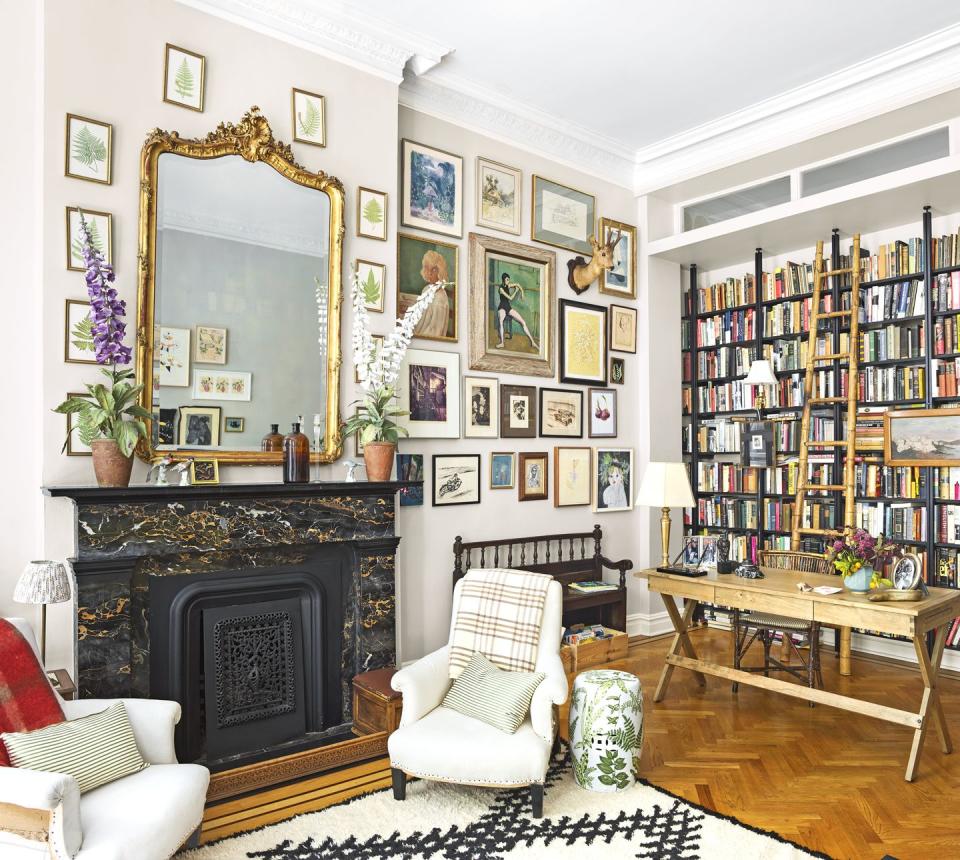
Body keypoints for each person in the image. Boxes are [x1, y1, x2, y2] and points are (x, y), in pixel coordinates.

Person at [495, 272, 538, 351]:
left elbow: (518, 284)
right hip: (502, 307)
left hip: (508, 307)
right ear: (503, 280)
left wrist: (522, 293)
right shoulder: (501, 289)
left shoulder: (508, 285)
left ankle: (532, 342)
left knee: (523, 322)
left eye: (509, 280)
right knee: (501, 321)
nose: (508, 281)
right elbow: (510, 298)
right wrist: (515, 291)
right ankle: (502, 342)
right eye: (507, 280)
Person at [414, 250, 450, 339]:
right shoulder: (426, 289)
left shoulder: (440, 300)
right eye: (427, 268)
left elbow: (435, 332)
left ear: (440, 271)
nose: (429, 273)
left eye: (434, 269)